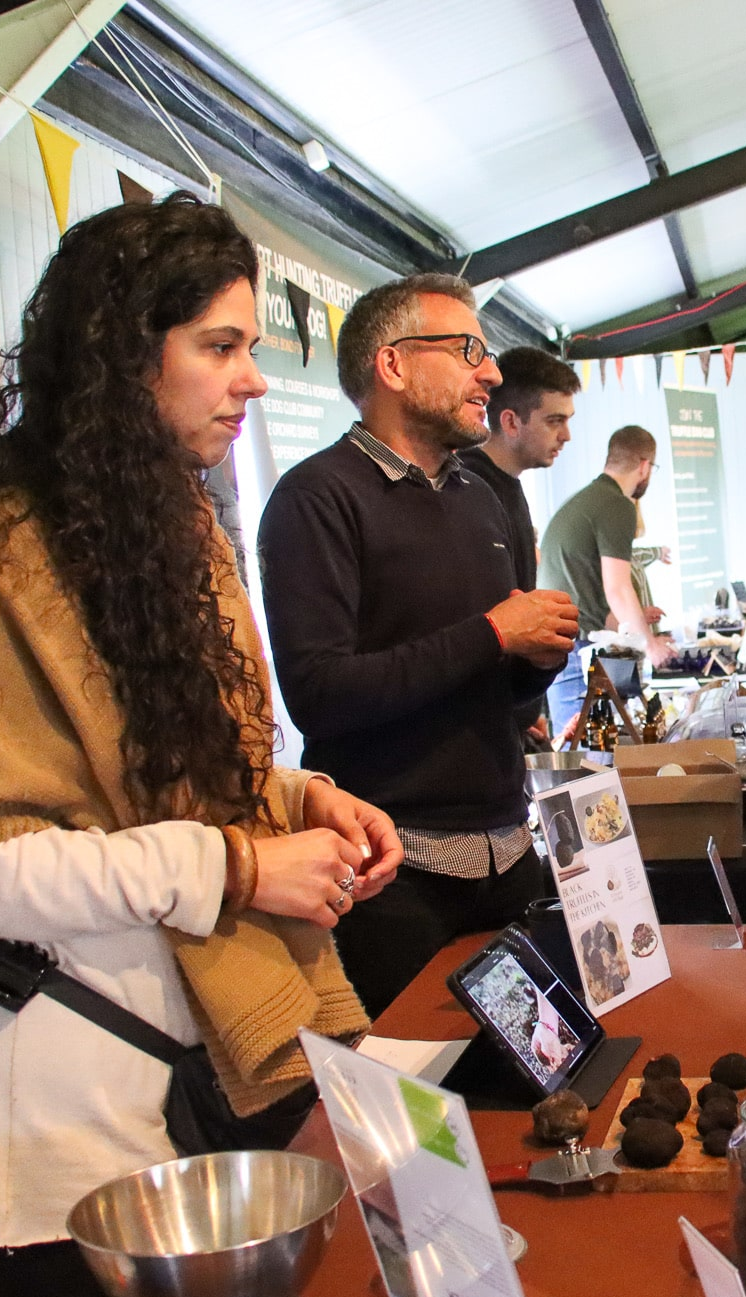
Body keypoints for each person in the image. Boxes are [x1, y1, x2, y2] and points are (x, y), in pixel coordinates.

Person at [0, 195, 403, 1297]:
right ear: (121, 355)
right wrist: (238, 866)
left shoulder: (169, 530)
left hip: (175, 1090)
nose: (248, 379)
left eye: (249, 348)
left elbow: (144, 780)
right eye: (220, 347)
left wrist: (297, 800)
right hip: (62, 1136)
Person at [258, 274, 576, 1016]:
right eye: (468, 349)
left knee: (532, 1096)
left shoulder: (479, 497)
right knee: (415, 1112)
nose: (491, 372)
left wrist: (537, 658)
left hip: (509, 858)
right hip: (393, 878)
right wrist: (496, 632)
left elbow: (494, 692)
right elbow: (321, 695)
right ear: (392, 365)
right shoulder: (317, 498)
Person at [460, 345, 581, 746]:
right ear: (510, 421)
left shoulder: (508, 486)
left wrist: (528, 708)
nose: (565, 435)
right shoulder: (469, 490)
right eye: (554, 421)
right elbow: (486, 623)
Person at [539, 425, 675, 733]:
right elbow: (618, 587)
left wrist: (637, 622)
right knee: (589, 768)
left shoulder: (587, 500)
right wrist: (649, 645)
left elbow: (588, 598)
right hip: (577, 657)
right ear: (644, 466)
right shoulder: (617, 504)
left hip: (564, 649)